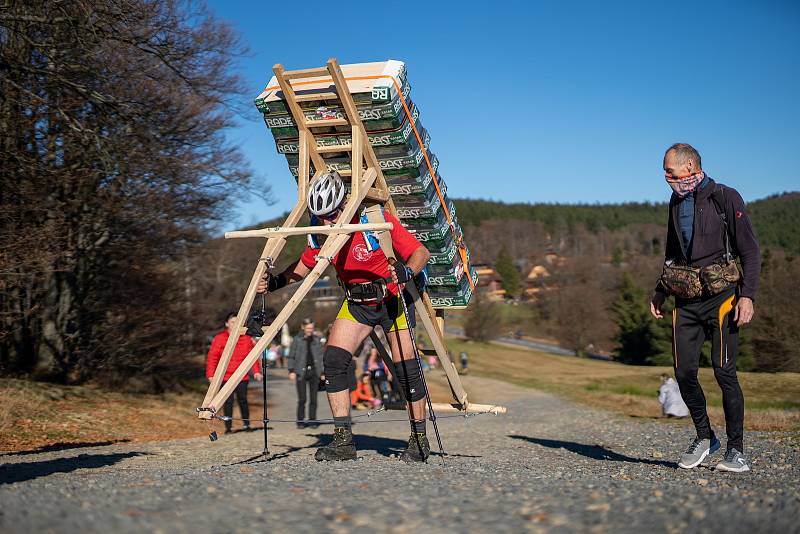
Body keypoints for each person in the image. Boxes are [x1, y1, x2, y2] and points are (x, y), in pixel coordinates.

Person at [258, 171, 432, 462]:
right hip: (356, 302)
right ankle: (343, 441)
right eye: (320, 215)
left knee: (406, 370)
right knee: (334, 361)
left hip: (392, 300)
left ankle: (418, 439)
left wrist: (407, 271)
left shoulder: (373, 221)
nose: (327, 221)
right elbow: (303, 265)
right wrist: (275, 282)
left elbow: (420, 253)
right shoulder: (319, 232)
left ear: (343, 205)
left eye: (332, 214)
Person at [650, 143, 760, 473]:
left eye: (670, 172)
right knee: (684, 373)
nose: (667, 178)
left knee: (724, 372)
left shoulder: (724, 197)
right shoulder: (675, 200)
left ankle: (736, 450)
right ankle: (704, 437)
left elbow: (751, 251)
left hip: (723, 296)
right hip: (686, 299)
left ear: (691, 168)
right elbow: (672, 250)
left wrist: (748, 295)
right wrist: (660, 290)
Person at [206, 312, 263, 434]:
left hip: (242, 376)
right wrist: (211, 374)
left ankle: (246, 424)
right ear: (227, 324)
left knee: (243, 400)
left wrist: (257, 372)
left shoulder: (247, 338)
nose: (235, 324)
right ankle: (228, 427)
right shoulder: (219, 338)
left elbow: (252, 357)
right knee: (228, 401)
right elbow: (212, 357)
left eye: (238, 322)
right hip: (225, 376)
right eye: (232, 322)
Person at [287, 318, 324, 429]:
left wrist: (322, 372)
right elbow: (291, 356)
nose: (310, 330)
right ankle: (300, 421)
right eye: (308, 328)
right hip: (300, 372)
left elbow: (320, 356)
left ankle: (312, 420)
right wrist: (291, 370)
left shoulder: (316, 340)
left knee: (314, 399)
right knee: (302, 398)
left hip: (314, 372)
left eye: (312, 328)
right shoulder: (297, 340)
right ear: (303, 327)